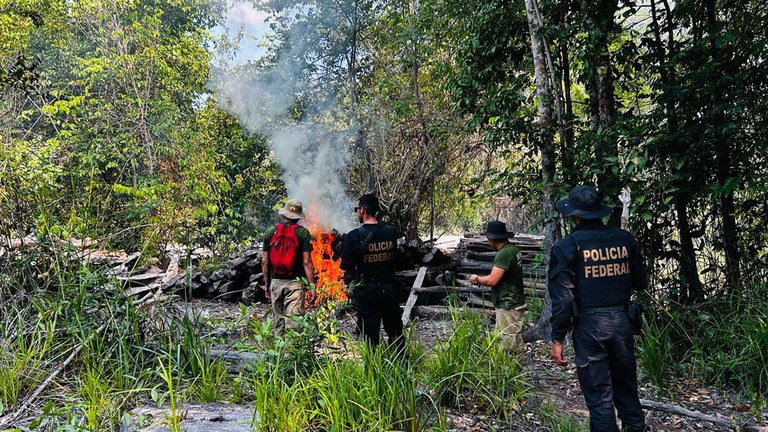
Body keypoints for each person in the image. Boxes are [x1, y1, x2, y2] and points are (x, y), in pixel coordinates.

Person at [548, 185, 649, 432]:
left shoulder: (567, 246)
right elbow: (641, 282)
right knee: (626, 389)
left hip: (590, 328)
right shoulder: (625, 240)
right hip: (623, 324)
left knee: (600, 398)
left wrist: (557, 338)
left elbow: (563, 299)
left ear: (574, 215)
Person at [340, 193, 405, 354]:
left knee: (370, 337)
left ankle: (374, 372)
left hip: (367, 292)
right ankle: (402, 368)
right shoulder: (391, 232)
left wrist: (349, 288)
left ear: (362, 210)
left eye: (357, 209)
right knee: (396, 333)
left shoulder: (353, 237)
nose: (357, 213)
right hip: (390, 290)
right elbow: (399, 259)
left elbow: (347, 271)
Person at [468, 220, 526, 356]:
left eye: (488, 238)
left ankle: (510, 373)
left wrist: (476, 279)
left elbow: (492, 280)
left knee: (507, 342)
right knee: (514, 338)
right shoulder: (513, 249)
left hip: (508, 304)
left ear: (492, 238)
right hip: (515, 301)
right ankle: (516, 370)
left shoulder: (504, 254)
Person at [261, 199, 316, 335]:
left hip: (275, 283)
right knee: (294, 325)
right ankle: (291, 355)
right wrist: (312, 286)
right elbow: (307, 262)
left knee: (278, 324)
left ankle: (278, 355)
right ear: (298, 217)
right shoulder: (303, 233)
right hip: (295, 285)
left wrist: (267, 284)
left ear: (283, 214)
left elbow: (264, 261)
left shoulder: (270, 232)